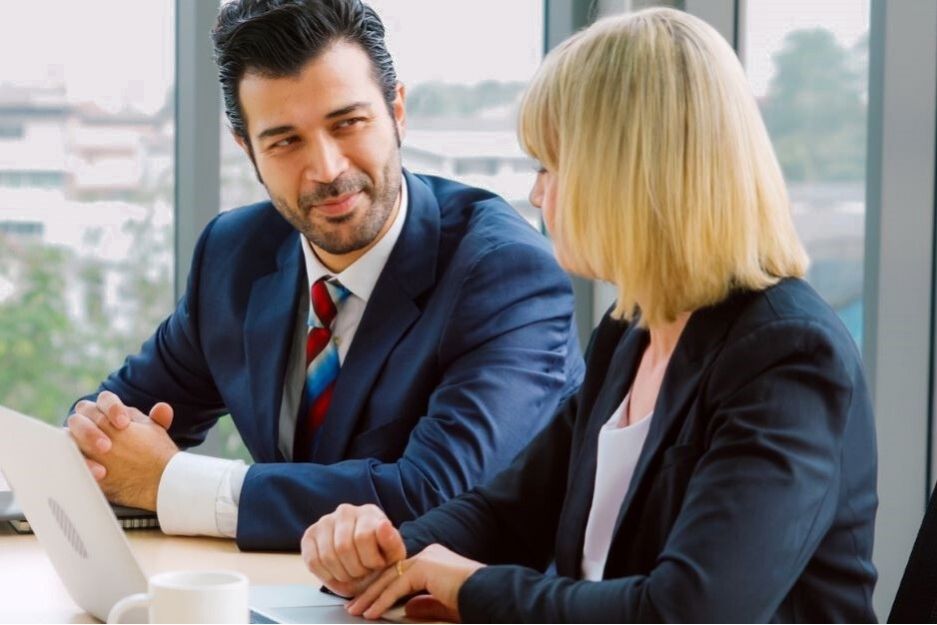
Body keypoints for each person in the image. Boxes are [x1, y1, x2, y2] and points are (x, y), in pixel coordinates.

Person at [300, 8, 878, 622]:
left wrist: (469, 587)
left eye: (550, 165)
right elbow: (511, 510)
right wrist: (390, 548)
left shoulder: (786, 354)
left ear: (626, 175)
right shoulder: (631, 332)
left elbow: (687, 612)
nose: (537, 192)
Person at [63, 0, 584, 552]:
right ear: (249, 151)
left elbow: (433, 494)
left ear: (397, 111)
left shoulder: (504, 273)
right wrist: (101, 443)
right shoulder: (234, 254)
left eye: (348, 123)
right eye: (285, 141)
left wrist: (172, 483)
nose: (328, 169)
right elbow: (113, 427)